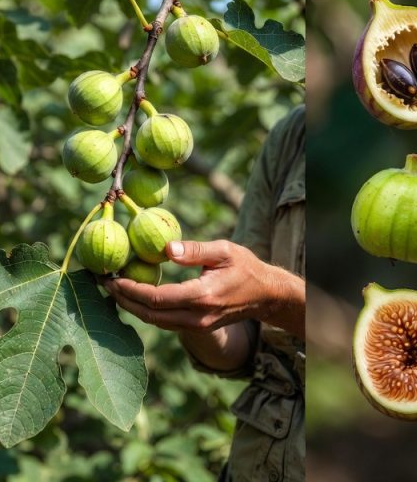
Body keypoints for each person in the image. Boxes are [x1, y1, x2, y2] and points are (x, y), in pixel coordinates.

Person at [104, 105, 305, 482]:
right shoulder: (293, 136)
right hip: (258, 463)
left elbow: (383, 331)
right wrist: (198, 317)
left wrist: (274, 297)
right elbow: (247, 346)